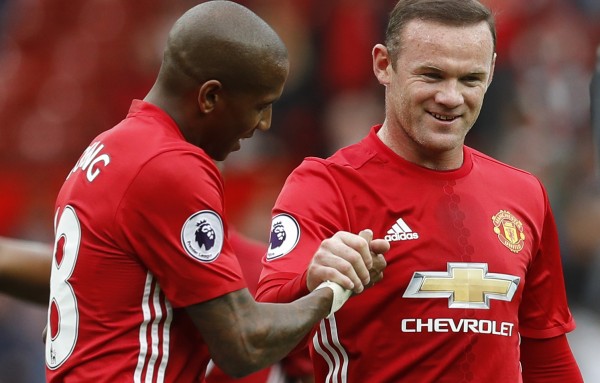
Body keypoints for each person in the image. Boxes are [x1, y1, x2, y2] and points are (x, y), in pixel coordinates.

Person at [43, 1, 389, 382]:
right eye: (260, 106)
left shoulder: (107, 149)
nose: (265, 124)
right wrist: (333, 288)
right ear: (210, 97)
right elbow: (243, 345)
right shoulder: (169, 165)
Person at [256, 0, 584, 382]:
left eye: (470, 79)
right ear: (384, 65)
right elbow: (265, 330)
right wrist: (311, 280)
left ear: (493, 71)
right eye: (431, 75)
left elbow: (547, 356)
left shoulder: (525, 194)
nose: (450, 97)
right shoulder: (326, 186)